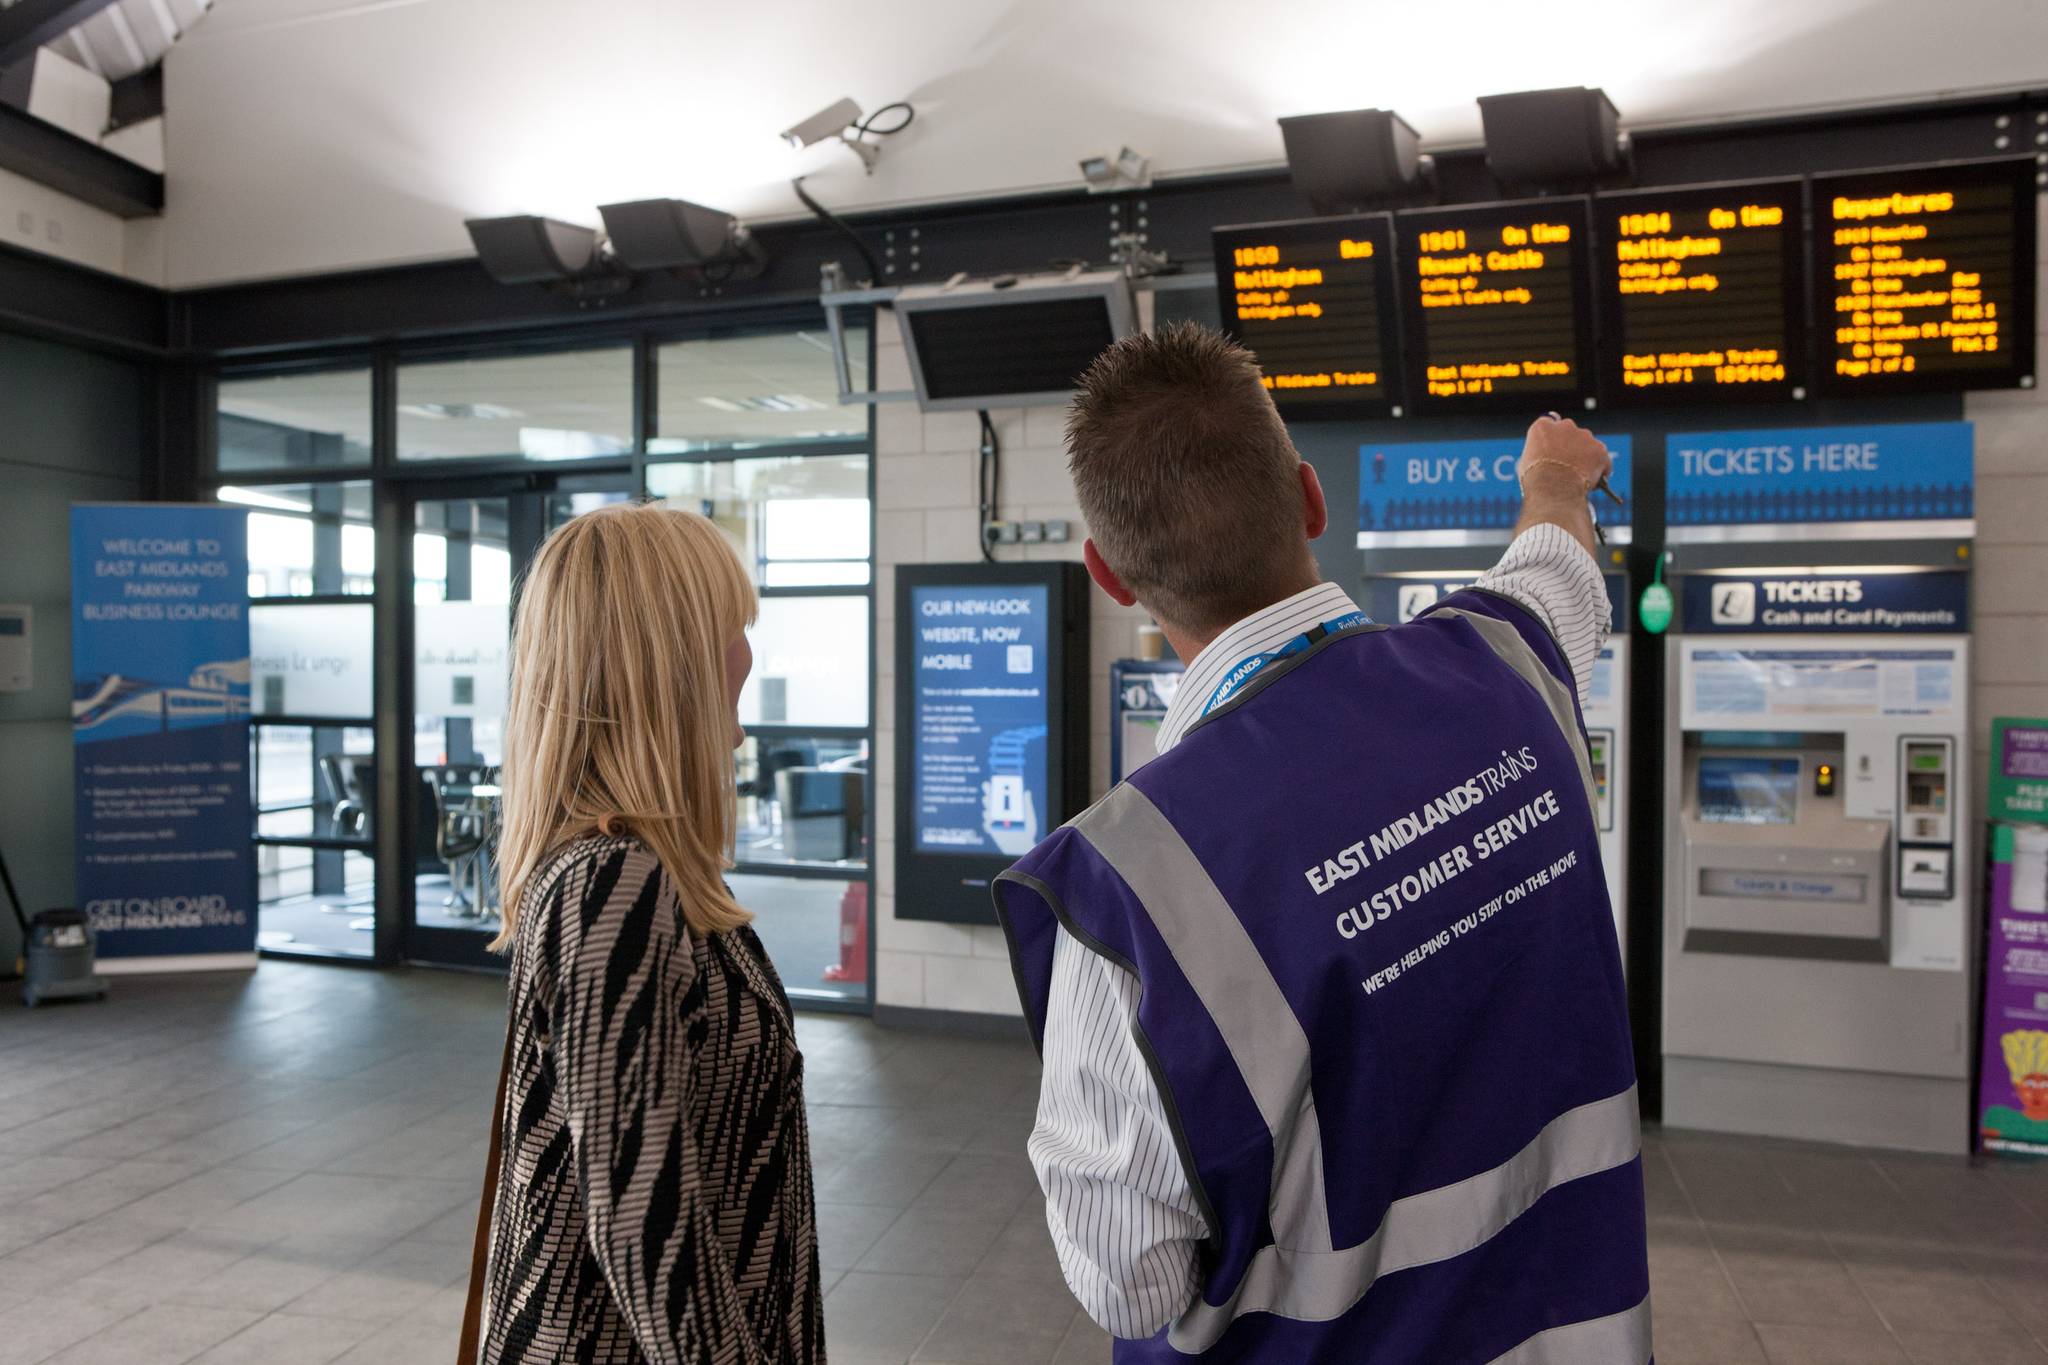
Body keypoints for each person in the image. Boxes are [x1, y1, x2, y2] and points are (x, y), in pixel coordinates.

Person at [995, 324, 1650, 1363]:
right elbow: (1556, 565)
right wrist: (1554, 475)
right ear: (1307, 497)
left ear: (1108, 577)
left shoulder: (1131, 882)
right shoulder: (1506, 660)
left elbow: (1130, 1279)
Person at [466, 504, 825, 1365]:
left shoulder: (643, 871)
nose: (749, 652)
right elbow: (644, 1231)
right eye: (734, 626)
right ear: (678, 659)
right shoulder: (610, 883)